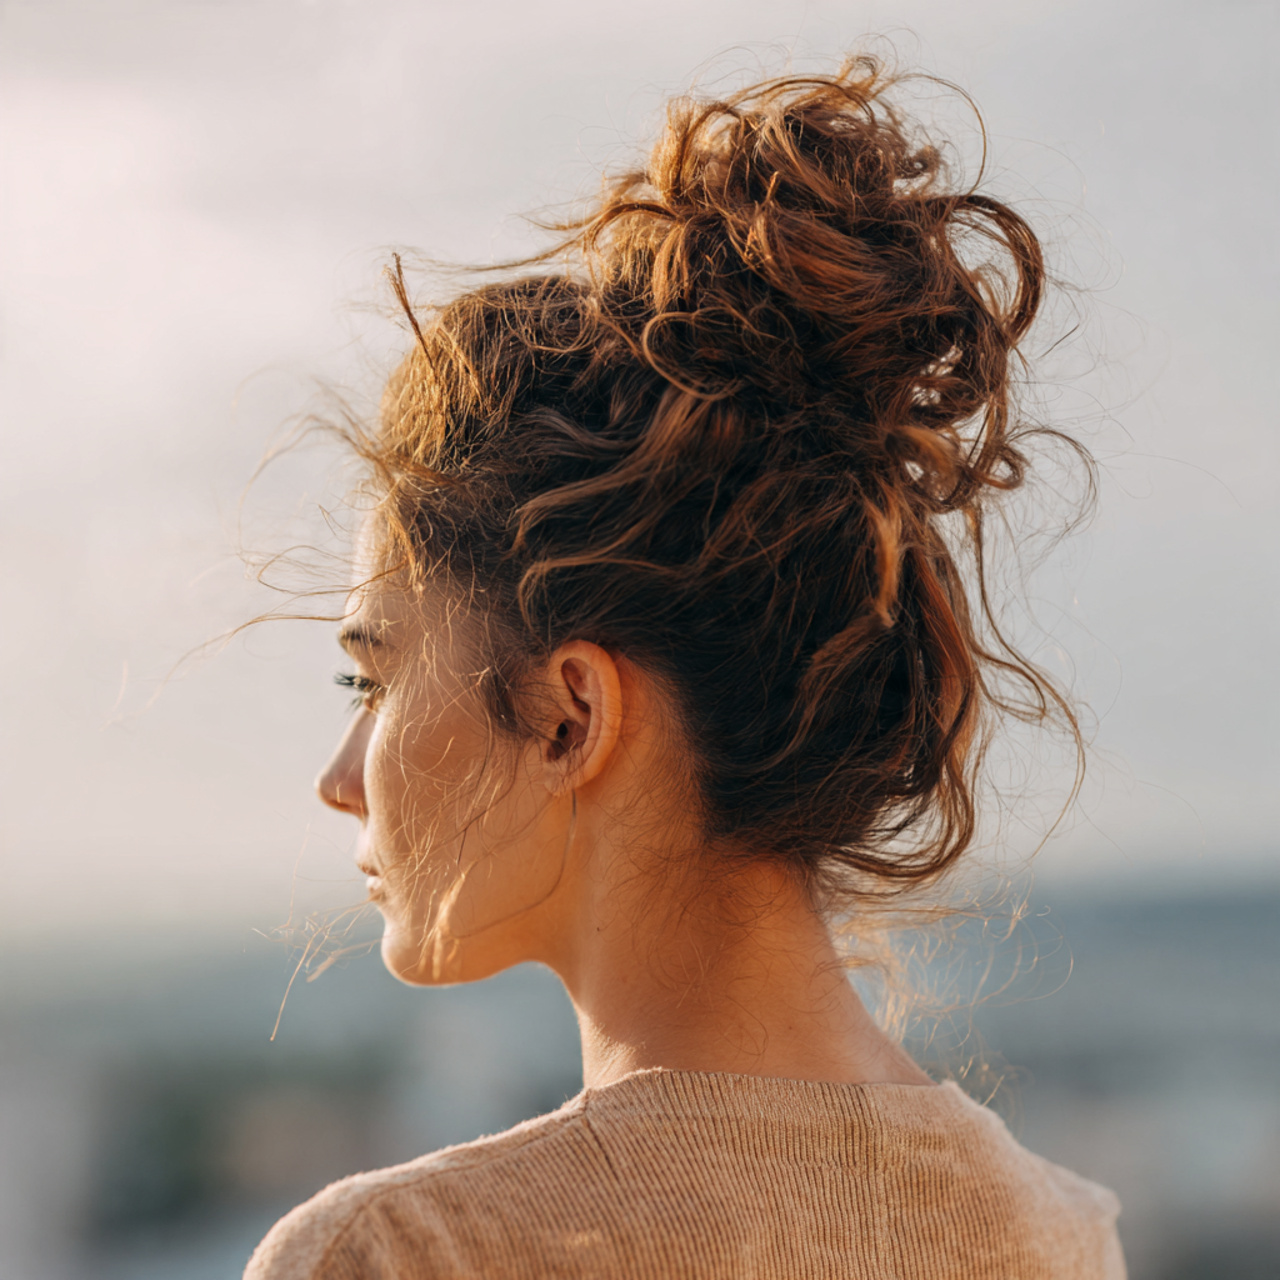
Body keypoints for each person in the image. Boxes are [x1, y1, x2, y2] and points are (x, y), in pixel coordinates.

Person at [245, 57, 1125, 1280]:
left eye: (373, 681)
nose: (342, 778)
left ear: (568, 714)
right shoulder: (1060, 1236)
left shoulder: (402, 1255)